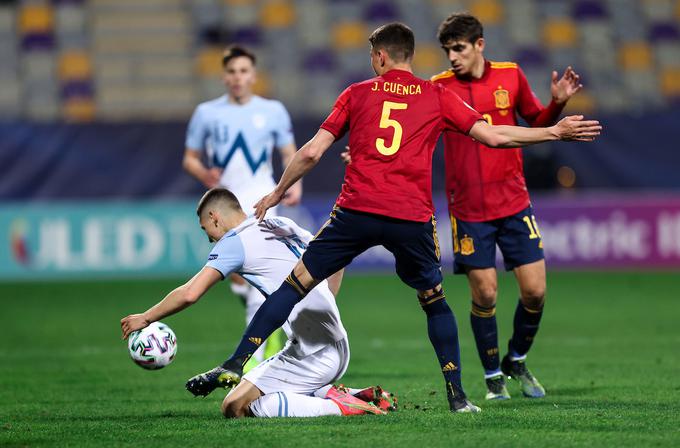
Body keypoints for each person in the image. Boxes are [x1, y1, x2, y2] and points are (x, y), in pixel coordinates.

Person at [184, 22, 600, 414]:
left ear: (381, 56)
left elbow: (311, 151)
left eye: (371, 55)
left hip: (356, 210)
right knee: (434, 302)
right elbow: (494, 136)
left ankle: (237, 361)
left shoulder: (357, 93)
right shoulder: (435, 95)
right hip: (410, 218)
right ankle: (458, 397)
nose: (371, 61)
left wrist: (276, 192)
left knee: (294, 285)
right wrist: (553, 132)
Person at [120, 188, 396, 418]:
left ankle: (339, 407)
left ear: (215, 218)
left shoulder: (234, 243)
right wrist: (325, 305)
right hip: (331, 343)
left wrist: (146, 317)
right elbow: (334, 261)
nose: (210, 239)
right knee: (264, 389)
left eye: (207, 231)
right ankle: (348, 393)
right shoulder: (278, 224)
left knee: (235, 407)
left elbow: (191, 292)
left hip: (315, 354)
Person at [431, 13, 584, 400]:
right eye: (448, 50)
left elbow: (536, 120)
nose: (452, 57)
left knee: (535, 291)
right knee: (485, 294)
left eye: (459, 48)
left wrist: (556, 103)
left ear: (479, 44)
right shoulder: (438, 88)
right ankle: (493, 374)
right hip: (467, 209)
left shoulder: (510, 76)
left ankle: (517, 357)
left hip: (514, 202)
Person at [182, 45, 301, 369]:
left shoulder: (273, 110)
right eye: (232, 72)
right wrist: (202, 172)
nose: (238, 78)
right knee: (238, 278)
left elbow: (289, 152)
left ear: (254, 75)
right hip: (224, 202)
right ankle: (270, 328)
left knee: (254, 272)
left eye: (244, 71)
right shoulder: (207, 113)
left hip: (262, 198)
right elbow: (189, 158)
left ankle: (253, 359)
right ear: (224, 77)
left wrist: (293, 184)